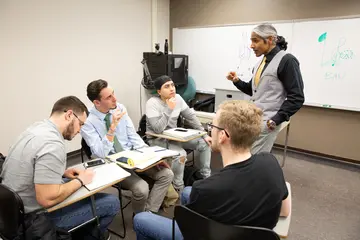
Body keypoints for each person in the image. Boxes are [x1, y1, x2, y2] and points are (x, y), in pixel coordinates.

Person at [133, 100, 290, 240]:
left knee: (141, 219)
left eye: (212, 126)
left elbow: (193, 232)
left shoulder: (207, 188)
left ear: (222, 135)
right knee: (188, 192)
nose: (210, 130)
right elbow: (284, 211)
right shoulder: (270, 162)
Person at [0, 96, 119, 239]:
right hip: (34, 220)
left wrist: (62, 172)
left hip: (10, 213)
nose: (80, 131)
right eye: (80, 124)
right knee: (111, 203)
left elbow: (27, 164)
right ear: (69, 115)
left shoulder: (35, 129)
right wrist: (80, 180)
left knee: (72, 187)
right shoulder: (53, 144)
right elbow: (47, 199)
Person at [81, 79, 173, 214]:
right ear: (97, 102)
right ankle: (141, 219)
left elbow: (133, 136)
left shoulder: (120, 108)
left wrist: (152, 157)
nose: (115, 99)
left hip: (132, 155)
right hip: (111, 162)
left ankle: (148, 215)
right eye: (109, 97)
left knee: (167, 174)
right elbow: (100, 153)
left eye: (114, 93)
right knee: (142, 188)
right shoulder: (88, 122)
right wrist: (111, 129)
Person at [227, 23, 305, 154]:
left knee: (254, 161)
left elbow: (297, 97)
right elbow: (254, 90)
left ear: (269, 40)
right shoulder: (260, 62)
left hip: (267, 122)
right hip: (253, 119)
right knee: (247, 158)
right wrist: (236, 81)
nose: (251, 45)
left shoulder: (287, 61)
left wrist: (276, 119)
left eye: (255, 41)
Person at [145, 75, 212, 191]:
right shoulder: (152, 103)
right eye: (167, 86)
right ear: (159, 91)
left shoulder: (178, 98)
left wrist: (205, 134)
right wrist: (169, 108)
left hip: (175, 138)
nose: (172, 89)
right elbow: (157, 129)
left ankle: (206, 179)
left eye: (172, 85)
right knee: (180, 154)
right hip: (157, 140)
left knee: (204, 143)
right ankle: (178, 188)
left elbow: (191, 117)